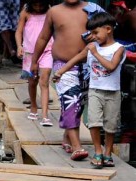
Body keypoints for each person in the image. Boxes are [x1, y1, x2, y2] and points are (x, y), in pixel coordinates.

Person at [30, 0, 105, 161]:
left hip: (90, 66)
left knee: (81, 105)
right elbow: (43, 38)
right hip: (64, 67)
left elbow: (108, 29)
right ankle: (77, 146)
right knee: (70, 102)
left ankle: (67, 136)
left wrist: (97, 35)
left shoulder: (93, 9)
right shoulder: (54, 11)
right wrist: (34, 61)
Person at [53, 12, 126, 167]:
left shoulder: (118, 48)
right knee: (94, 122)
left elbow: (111, 67)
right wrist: (61, 71)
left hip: (113, 92)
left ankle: (108, 153)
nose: (93, 36)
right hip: (95, 91)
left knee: (111, 125)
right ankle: (98, 151)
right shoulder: (92, 47)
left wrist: (94, 53)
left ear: (108, 29)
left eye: (95, 32)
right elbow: (76, 58)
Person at [15, 0, 53, 126]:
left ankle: (45, 115)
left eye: (40, 5)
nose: (38, 7)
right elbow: (19, 31)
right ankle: (33, 106)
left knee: (44, 81)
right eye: (35, 5)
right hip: (29, 53)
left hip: (47, 50)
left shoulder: (50, 11)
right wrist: (19, 46)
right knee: (32, 82)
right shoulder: (25, 12)